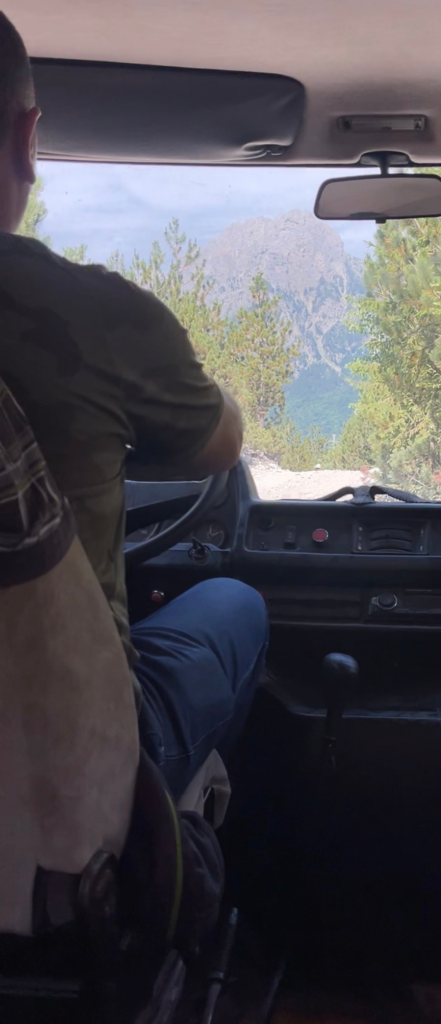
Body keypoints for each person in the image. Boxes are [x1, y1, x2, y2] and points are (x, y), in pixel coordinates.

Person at [0, 12, 267, 799]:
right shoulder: (93, 315)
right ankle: (173, 827)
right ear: (27, 136)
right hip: (65, 759)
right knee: (233, 603)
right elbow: (219, 445)